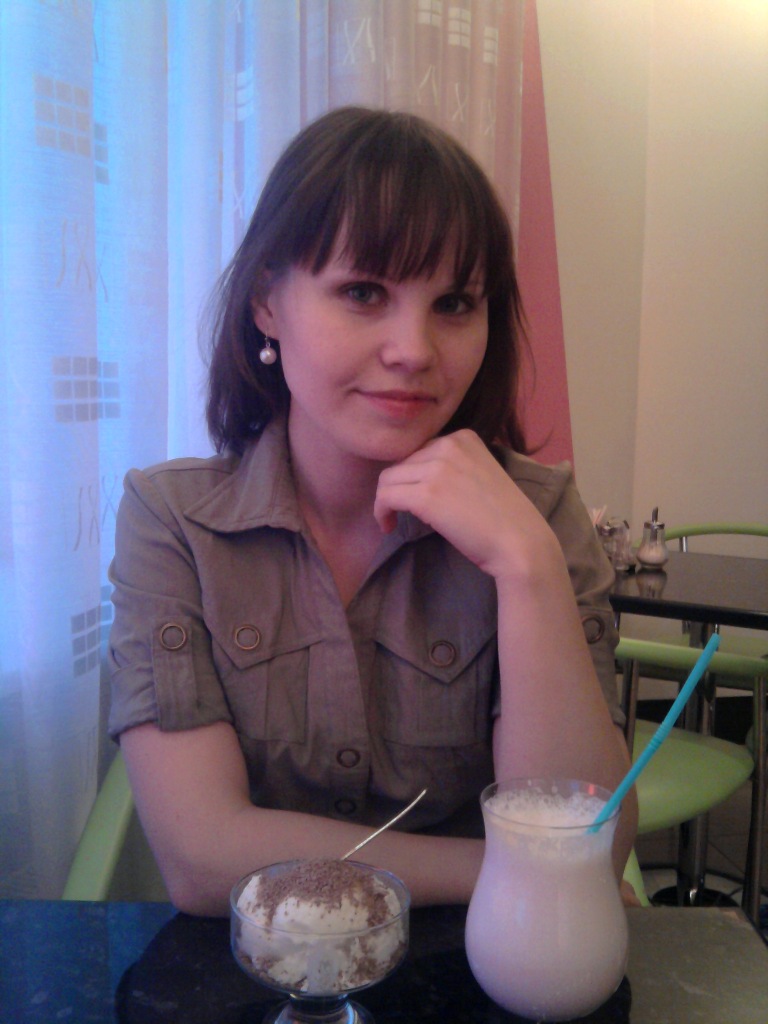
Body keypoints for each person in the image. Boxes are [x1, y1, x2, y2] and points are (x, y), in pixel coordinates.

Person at [108, 106, 637, 917]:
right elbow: (202, 857)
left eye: (454, 303)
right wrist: (517, 868)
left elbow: (587, 828)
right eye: (363, 292)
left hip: (488, 964)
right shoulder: (173, 520)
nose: (414, 350)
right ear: (267, 303)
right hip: (264, 966)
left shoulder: (537, 517)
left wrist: (525, 566)